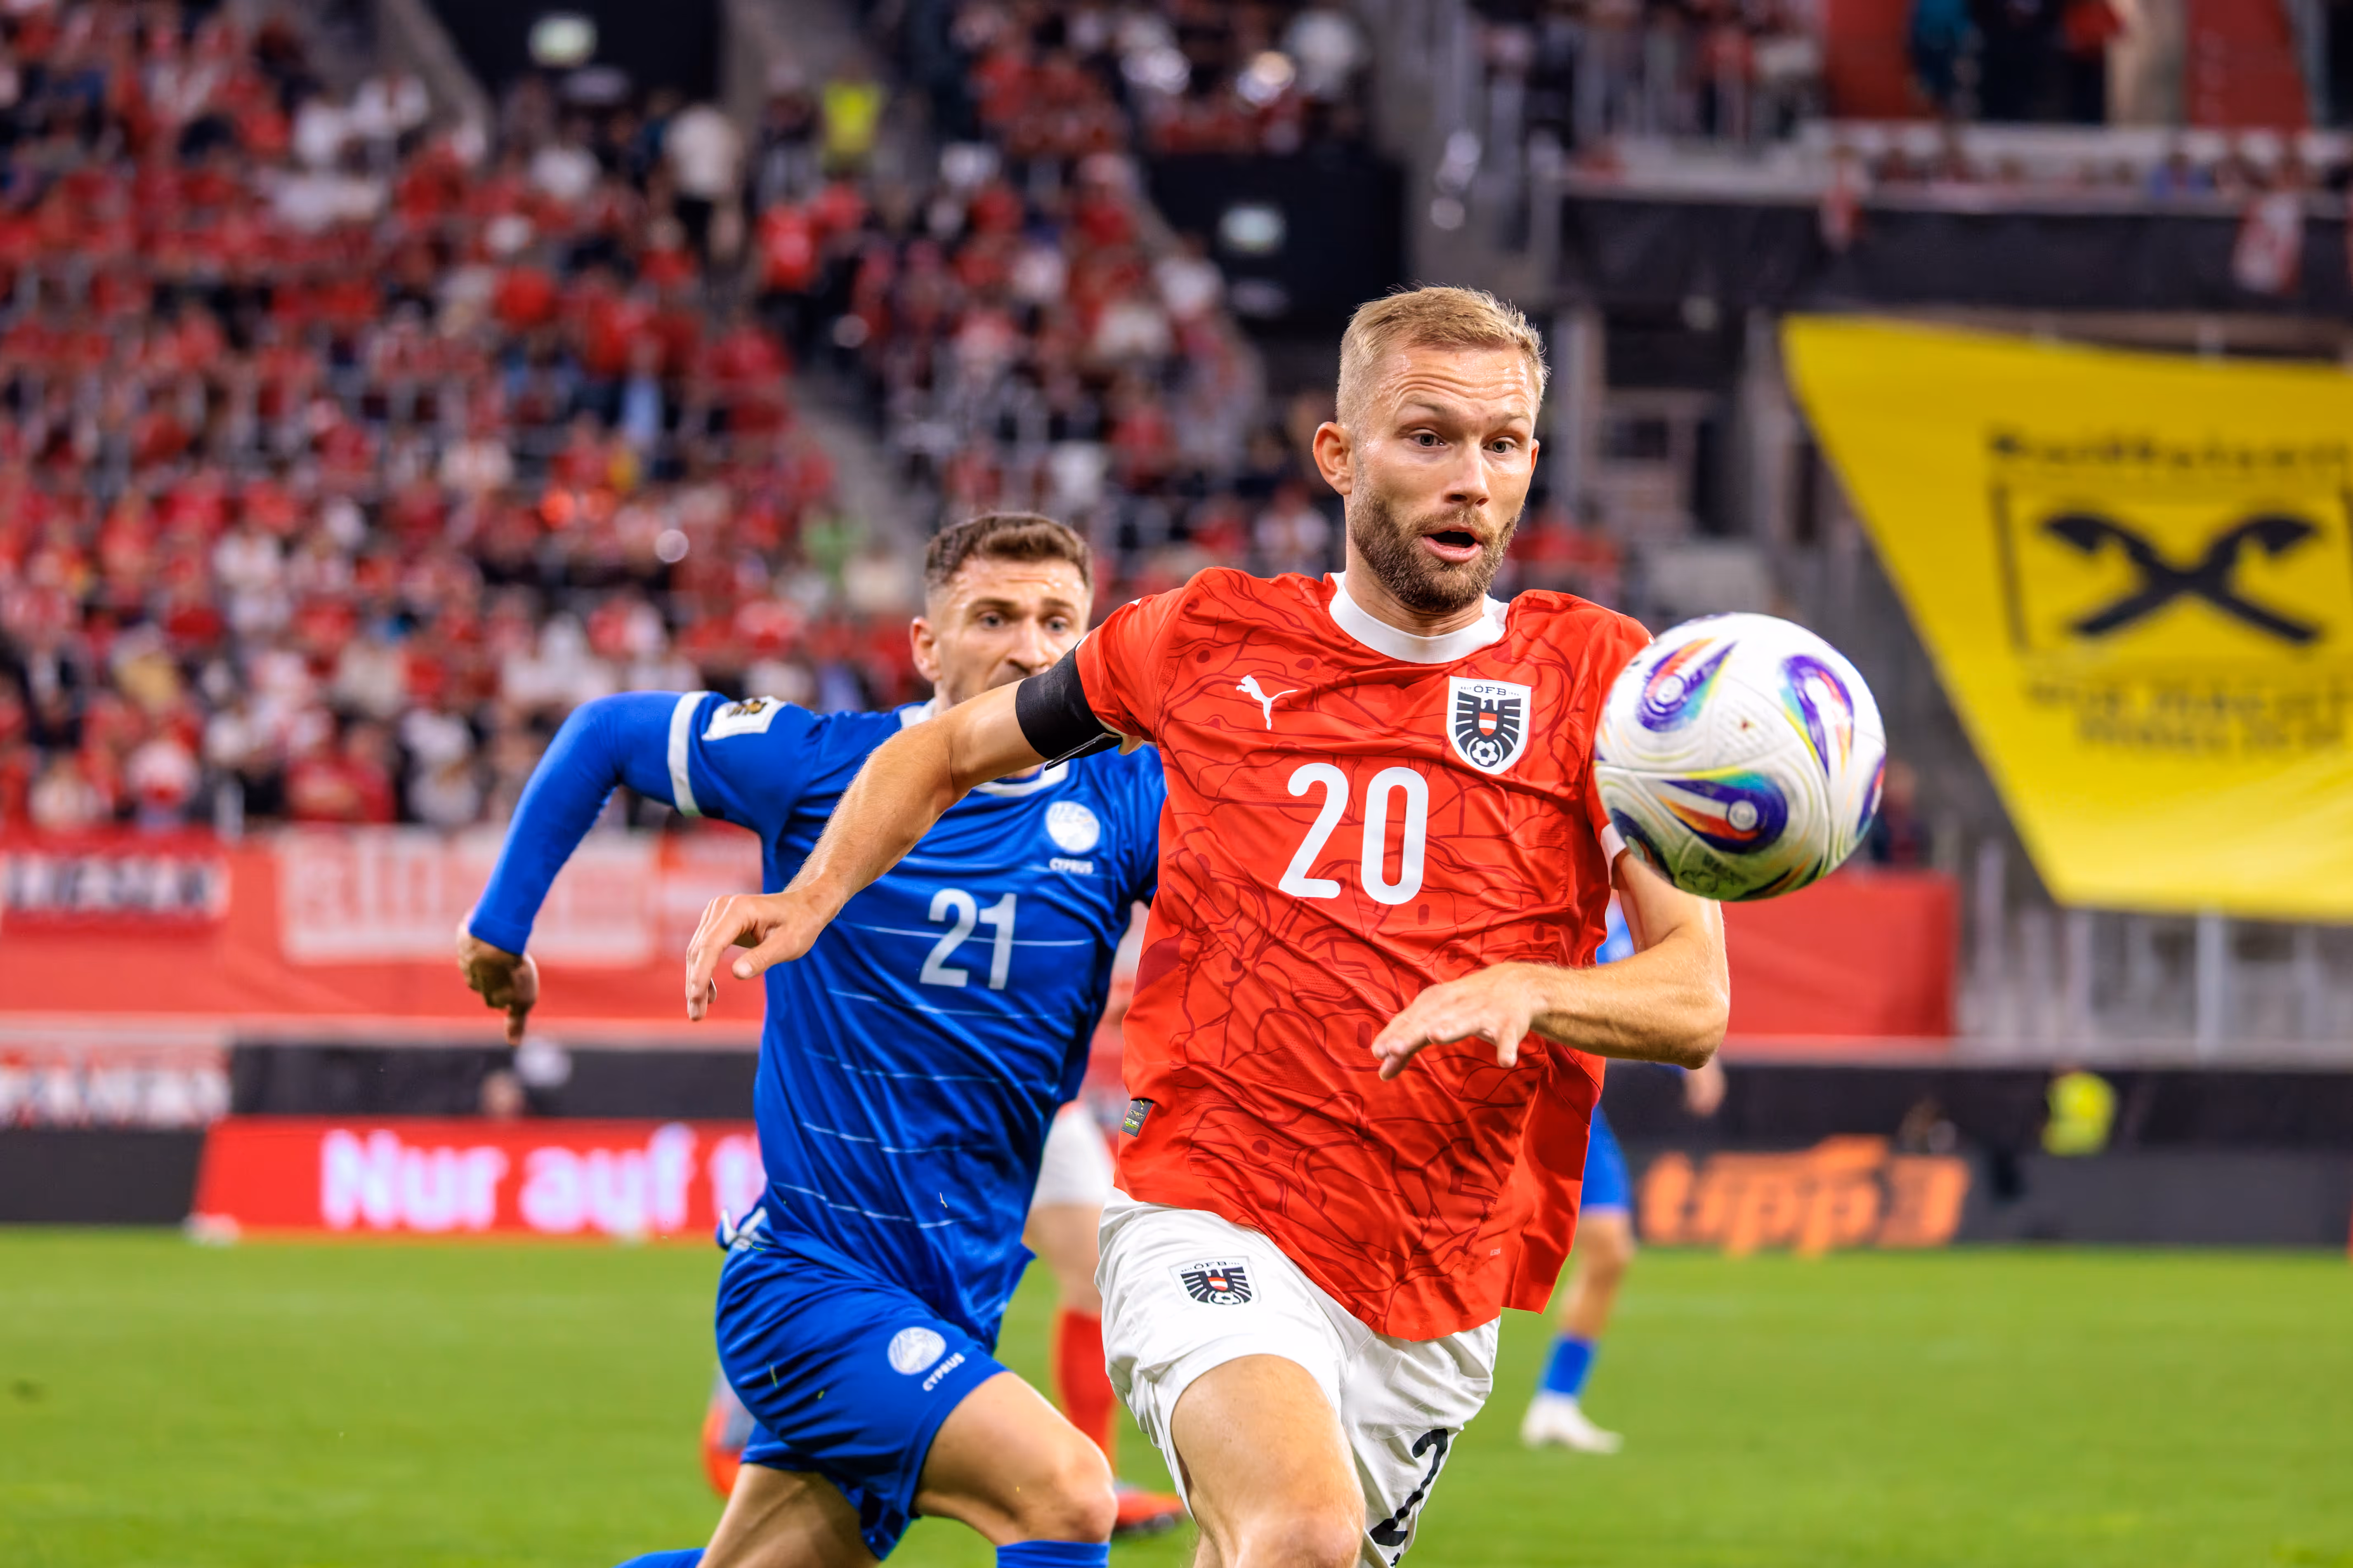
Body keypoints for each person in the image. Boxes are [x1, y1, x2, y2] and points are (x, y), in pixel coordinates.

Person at [683, 286, 1731, 1565]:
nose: (1471, 480)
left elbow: (1691, 1001)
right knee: (1298, 1537)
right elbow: (945, 752)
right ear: (1338, 455)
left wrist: (1531, 988)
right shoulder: (1204, 640)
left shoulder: (1601, 679)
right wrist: (812, 895)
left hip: (1436, 1271)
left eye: (1503, 446)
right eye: (1429, 437)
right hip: (1213, 1203)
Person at [458, 512, 1180, 1568]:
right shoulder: (824, 765)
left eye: (1056, 622)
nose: (1028, 648)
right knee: (1068, 1496)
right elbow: (608, 731)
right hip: (810, 1286)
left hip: (956, 1295)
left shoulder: (1123, 803)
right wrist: (500, 931)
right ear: (929, 646)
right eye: (993, 617)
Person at [1519, 903, 1727, 1453]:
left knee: (1610, 1251)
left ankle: (1555, 1403)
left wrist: (1689, 1060)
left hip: (1571, 1103)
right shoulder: (1552, 887)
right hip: (1504, 1091)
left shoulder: (1632, 905)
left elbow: (1645, 996)